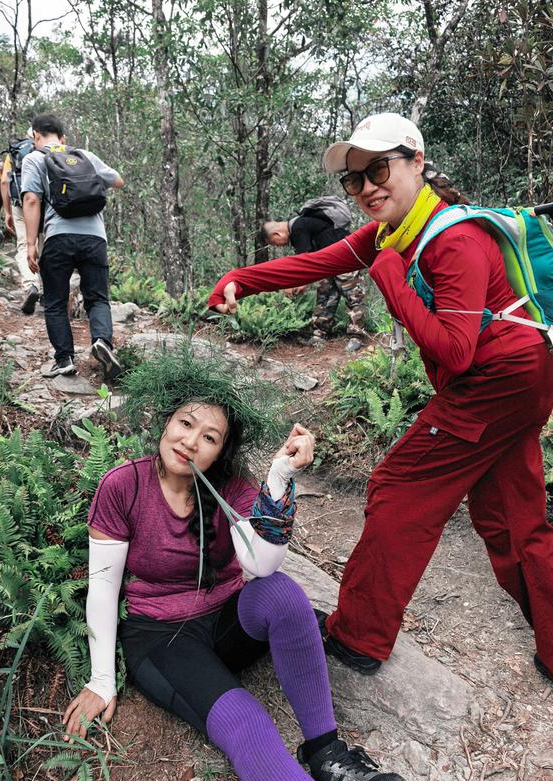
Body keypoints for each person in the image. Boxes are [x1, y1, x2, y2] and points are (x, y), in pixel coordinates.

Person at [208, 112, 553, 685]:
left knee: (397, 488)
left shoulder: (455, 241)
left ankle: (357, 636)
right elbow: (318, 262)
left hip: (496, 379)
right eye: (354, 179)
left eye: (379, 169)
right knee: (510, 517)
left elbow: (456, 350)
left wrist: (390, 277)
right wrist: (240, 278)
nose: (367, 187)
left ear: (417, 162)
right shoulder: (395, 231)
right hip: (519, 379)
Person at [63, 349, 416, 781]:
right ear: (166, 421)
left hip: (226, 618)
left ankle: (326, 753)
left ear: (219, 452)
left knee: (284, 595)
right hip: (163, 639)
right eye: (185, 423)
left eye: (209, 438)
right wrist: (101, 679)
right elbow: (103, 586)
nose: (190, 441)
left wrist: (279, 479)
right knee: (246, 721)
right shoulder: (125, 485)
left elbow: (262, 565)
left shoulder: (231, 487)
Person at [21, 113, 124, 379]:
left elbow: (32, 199)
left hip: (58, 237)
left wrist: (31, 244)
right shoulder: (84, 156)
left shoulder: (34, 158)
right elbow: (118, 181)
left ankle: (64, 358)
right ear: (63, 137)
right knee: (98, 298)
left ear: (35, 136)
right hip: (95, 238)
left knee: (55, 302)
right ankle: (102, 341)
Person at [263, 205, 367, 352]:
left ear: (276, 234)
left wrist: (294, 285)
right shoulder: (301, 226)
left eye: (274, 243)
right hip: (327, 262)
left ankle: (357, 336)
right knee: (325, 297)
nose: (279, 246)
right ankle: (319, 335)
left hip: (345, 257)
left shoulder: (298, 227)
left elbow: (303, 264)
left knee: (353, 296)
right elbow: (307, 263)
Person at [0, 129, 42, 314]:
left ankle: (31, 285)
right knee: (44, 244)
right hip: (44, 204)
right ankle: (49, 290)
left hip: (20, 204)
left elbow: (4, 181)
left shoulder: (15, 152)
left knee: (25, 245)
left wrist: (7, 212)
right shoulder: (45, 151)